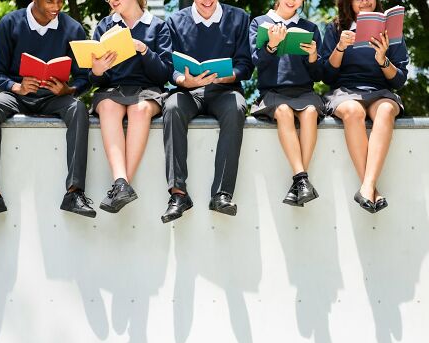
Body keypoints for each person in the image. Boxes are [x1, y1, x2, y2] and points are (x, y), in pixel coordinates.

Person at [0, 0, 95, 221]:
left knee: (78, 109)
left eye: (61, 1)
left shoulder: (73, 28)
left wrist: (69, 89)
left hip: (54, 98)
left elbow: (85, 78)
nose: (56, 6)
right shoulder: (9, 23)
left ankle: (75, 193)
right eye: (50, 1)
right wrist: (17, 86)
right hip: (17, 96)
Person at [161, 0, 254, 223]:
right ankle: (178, 194)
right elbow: (168, 67)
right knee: (172, 107)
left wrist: (230, 75)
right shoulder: (175, 21)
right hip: (188, 92)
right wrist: (184, 80)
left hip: (225, 90)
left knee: (237, 108)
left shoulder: (239, 18)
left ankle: (222, 194)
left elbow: (246, 64)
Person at [322, 0, 409, 213]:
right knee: (352, 111)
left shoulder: (390, 29)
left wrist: (382, 59)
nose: (365, 1)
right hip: (345, 92)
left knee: (387, 109)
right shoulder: (335, 29)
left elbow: (399, 80)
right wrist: (340, 47)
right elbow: (326, 76)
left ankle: (367, 187)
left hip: (380, 91)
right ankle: (371, 188)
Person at [90, 0, 173, 214]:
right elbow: (97, 80)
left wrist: (144, 50)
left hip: (148, 90)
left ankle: (122, 185)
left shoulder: (158, 26)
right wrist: (97, 71)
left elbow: (163, 74)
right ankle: (121, 182)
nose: (111, 0)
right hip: (113, 90)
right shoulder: (105, 26)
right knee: (107, 107)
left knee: (140, 109)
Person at [249, 0, 324, 207]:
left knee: (310, 112)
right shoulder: (260, 23)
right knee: (283, 111)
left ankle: (299, 181)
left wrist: (313, 56)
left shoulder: (310, 28)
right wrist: (272, 45)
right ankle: (301, 179)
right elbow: (255, 61)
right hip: (273, 91)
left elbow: (318, 74)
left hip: (304, 92)